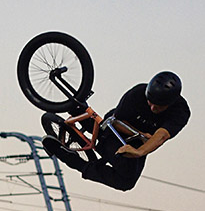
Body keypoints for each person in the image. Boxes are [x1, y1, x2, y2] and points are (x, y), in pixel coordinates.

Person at [43, 71, 190, 192]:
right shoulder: (137, 93)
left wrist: (139, 151)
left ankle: (75, 148)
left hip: (138, 144)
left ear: (170, 103)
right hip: (115, 128)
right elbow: (117, 122)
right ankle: (73, 153)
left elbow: (162, 135)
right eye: (150, 102)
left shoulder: (180, 111)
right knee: (126, 180)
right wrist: (139, 134)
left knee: (127, 180)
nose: (152, 108)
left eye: (158, 107)